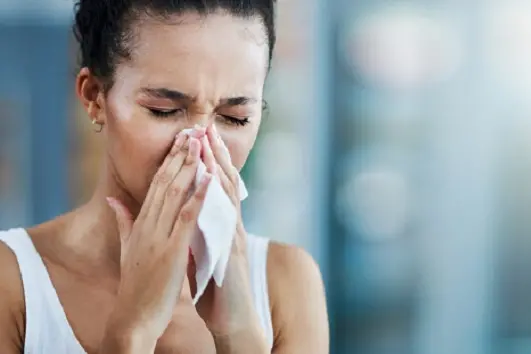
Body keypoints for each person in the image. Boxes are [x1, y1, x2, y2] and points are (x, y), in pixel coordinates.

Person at [0, 0, 329, 353]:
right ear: (94, 97)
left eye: (235, 117)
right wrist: (132, 332)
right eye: (164, 111)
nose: (200, 147)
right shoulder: (12, 283)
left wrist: (240, 334)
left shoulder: (284, 283)